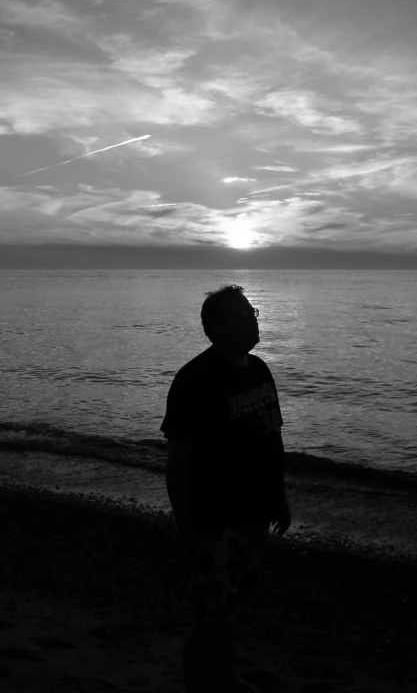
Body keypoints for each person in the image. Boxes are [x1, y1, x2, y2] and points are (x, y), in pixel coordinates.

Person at [161, 283, 291, 693]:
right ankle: (202, 683)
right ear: (216, 328)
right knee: (212, 612)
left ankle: (225, 677)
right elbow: (179, 459)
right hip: (215, 519)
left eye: (252, 311)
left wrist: (279, 496)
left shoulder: (259, 369)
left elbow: (271, 437)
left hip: (254, 513)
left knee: (232, 607)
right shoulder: (195, 380)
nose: (253, 318)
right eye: (242, 314)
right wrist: (185, 526)